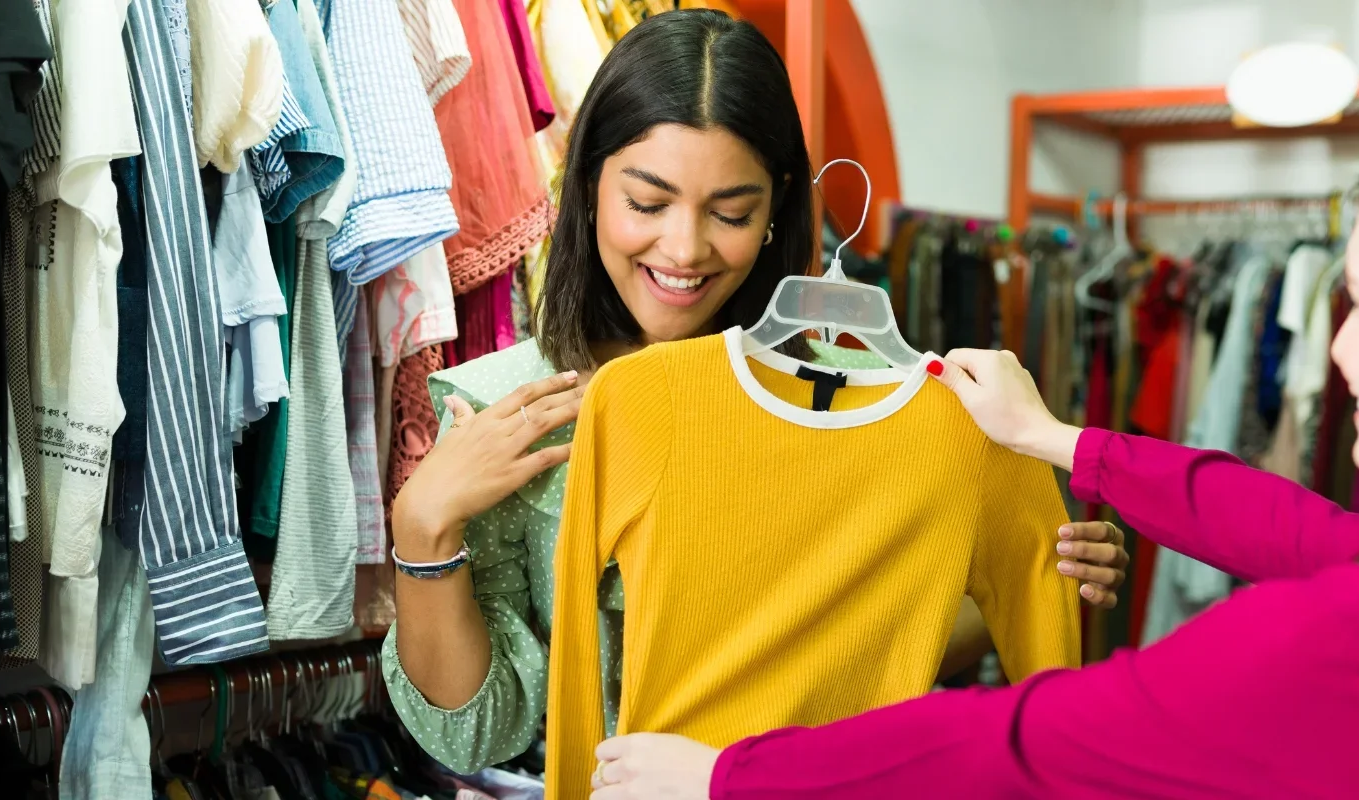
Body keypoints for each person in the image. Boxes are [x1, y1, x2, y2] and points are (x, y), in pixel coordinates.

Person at [587, 93, 1359, 799]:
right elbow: (1303, 529)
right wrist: (1059, 436)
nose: (1337, 354)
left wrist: (728, 776)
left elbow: (1023, 744)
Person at [382, 9, 1129, 775]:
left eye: (731, 213)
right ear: (587, 185)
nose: (684, 248)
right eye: (647, 203)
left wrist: (1033, 573)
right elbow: (476, 736)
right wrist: (422, 528)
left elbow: (878, 649)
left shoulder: (869, 412)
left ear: (775, 214)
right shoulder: (505, 411)